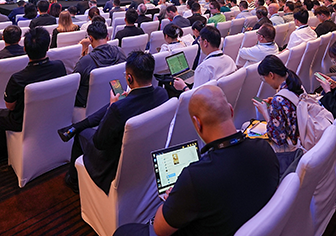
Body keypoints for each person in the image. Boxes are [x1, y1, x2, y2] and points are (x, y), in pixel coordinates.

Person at [113, 85, 279, 236]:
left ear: (197, 123)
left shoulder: (195, 178)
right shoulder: (265, 149)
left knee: (123, 232)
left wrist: (174, 199)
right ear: (230, 110)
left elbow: (159, 229)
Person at [62, 51, 169, 193]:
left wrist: (111, 107)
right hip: (146, 152)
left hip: (113, 163)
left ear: (129, 78)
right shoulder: (162, 94)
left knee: (82, 134)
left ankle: (73, 180)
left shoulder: (118, 109)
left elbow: (99, 142)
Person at [0, 27, 66, 172]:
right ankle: (1, 148)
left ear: (25, 49)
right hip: (52, 113)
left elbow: (10, 106)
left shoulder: (18, 78)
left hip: (23, 120)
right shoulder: (60, 66)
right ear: (47, 47)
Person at [254, 55, 303, 154]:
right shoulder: (295, 83)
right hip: (302, 134)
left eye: (264, 78)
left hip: (292, 146)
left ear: (271, 75)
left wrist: (265, 112)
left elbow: (278, 138)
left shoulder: (278, 100)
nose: (265, 81)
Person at [74, 21, 127, 107]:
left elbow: (74, 87)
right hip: (118, 101)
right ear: (108, 36)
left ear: (90, 39)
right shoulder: (120, 52)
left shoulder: (85, 62)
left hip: (91, 107)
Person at [174, 25, 236, 90]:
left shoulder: (204, 68)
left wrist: (183, 87)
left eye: (200, 41)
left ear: (205, 43)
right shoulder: (230, 60)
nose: (199, 43)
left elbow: (196, 95)